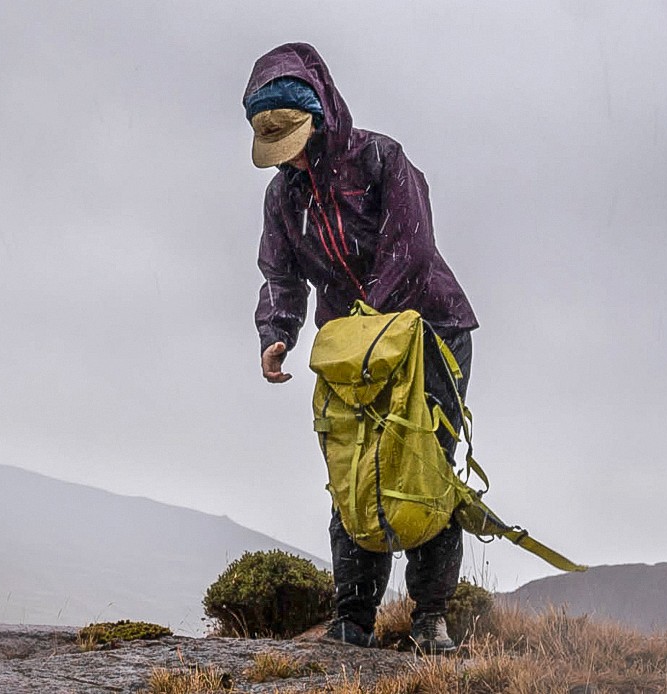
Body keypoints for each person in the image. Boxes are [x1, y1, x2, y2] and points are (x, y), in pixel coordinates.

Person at [243, 43, 478, 654]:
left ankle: (430, 620)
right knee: (352, 472)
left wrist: (373, 318)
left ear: (318, 113)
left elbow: (412, 246)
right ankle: (352, 622)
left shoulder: (381, 159)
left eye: (294, 139)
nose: (291, 158)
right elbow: (280, 272)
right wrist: (277, 332)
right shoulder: (282, 197)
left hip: (429, 334)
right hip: (351, 353)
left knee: (422, 466)